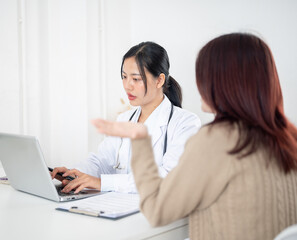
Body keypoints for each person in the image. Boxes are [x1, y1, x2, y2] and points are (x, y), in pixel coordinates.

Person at [92, 33, 297, 239]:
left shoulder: (214, 140)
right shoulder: (289, 137)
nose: (199, 85)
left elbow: (157, 211)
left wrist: (140, 139)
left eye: (203, 76)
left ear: (224, 83)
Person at [52, 42, 201, 193]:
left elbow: (168, 177)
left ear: (159, 80)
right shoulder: (124, 119)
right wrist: (73, 174)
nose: (127, 86)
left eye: (136, 79)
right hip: (119, 208)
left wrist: (102, 183)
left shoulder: (186, 123)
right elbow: (102, 161)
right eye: (124, 77)